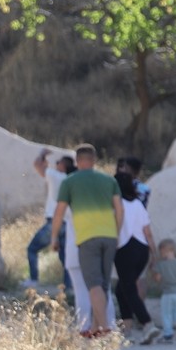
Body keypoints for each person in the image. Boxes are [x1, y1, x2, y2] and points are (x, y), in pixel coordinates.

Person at [51, 143, 122, 337]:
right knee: (104, 285)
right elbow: (119, 209)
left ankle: (105, 326)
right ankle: (95, 328)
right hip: (109, 236)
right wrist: (116, 232)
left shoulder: (69, 182)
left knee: (93, 285)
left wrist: (54, 237)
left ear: (77, 161)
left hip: (87, 238)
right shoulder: (109, 181)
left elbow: (59, 213)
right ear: (94, 160)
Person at [113, 172, 160, 344]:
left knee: (129, 289)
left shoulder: (116, 204)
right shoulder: (139, 204)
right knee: (121, 289)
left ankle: (148, 324)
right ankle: (127, 329)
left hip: (125, 249)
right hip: (142, 249)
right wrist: (153, 255)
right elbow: (148, 232)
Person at [24, 148, 69, 289]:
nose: (56, 164)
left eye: (59, 162)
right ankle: (68, 287)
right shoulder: (70, 179)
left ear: (63, 166)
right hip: (67, 223)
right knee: (65, 258)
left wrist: (42, 154)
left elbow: (37, 164)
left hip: (53, 221)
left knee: (32, 249)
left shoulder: (55, 176)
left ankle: (33, 280)